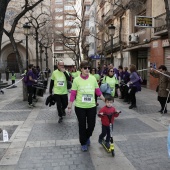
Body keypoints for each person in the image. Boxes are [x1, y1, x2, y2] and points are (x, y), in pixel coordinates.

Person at [67, 60, 105, 152]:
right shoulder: (76, 80)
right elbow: (73, 93)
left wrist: (105, 100)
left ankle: (87, 136)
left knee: (92, 125)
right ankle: (83, 143)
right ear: (81, 69)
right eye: (85, 68)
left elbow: (97, 91)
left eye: (89, 68)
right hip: (80, 107)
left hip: (91, 106)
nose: (87, 69)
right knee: (82, 125)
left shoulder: (92, 79)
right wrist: (70, 105)